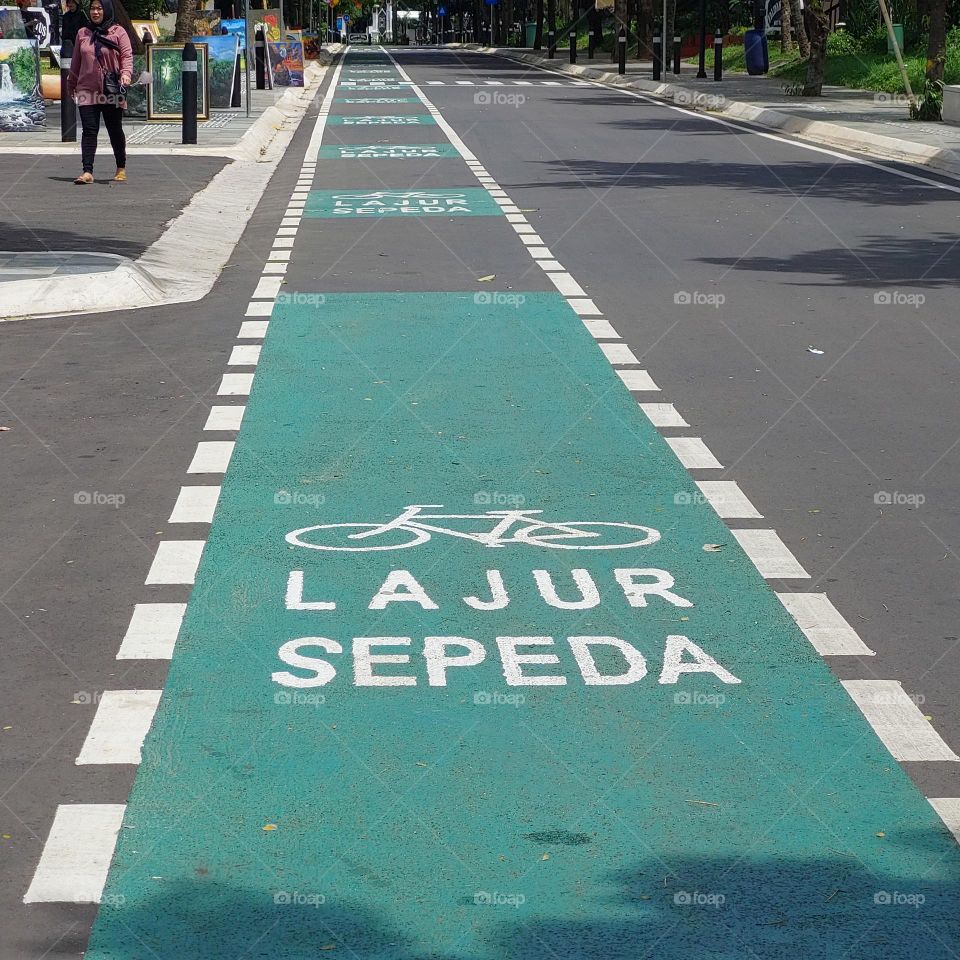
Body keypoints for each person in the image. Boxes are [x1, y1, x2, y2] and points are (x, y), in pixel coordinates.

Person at [66, 0, 132, 185]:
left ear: (107, 10)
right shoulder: (83, 33)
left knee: (114, 129)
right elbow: (76, 62)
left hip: (112, 88)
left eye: (99, 8)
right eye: (92, 9)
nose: (95, 12)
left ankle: (121, 167)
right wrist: (71, 85)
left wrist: (126, 75)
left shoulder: (118, 32)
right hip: (87, 88)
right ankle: (87, 171)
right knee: (89, 130)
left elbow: (127, 56)